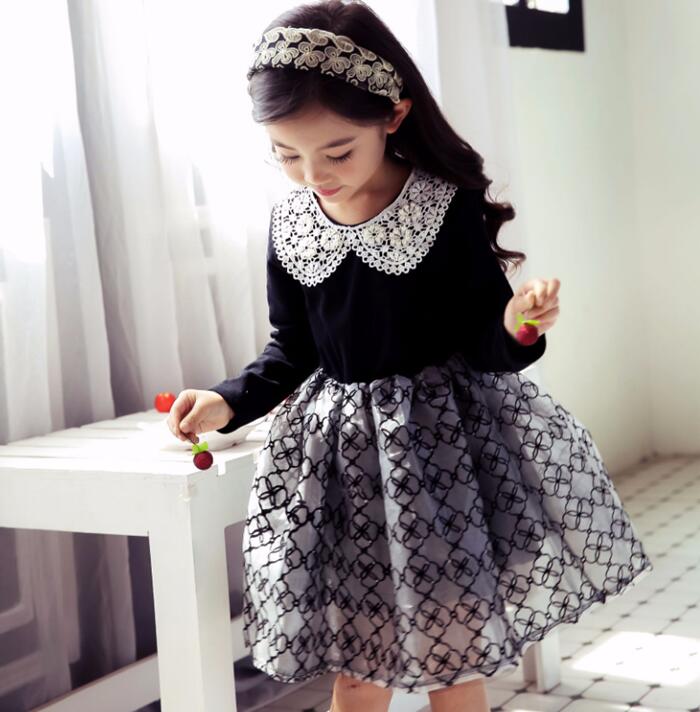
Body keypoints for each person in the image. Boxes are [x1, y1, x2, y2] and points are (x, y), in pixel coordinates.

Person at [167, 2, 654, 711]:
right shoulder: (291, 222)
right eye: (286, 155)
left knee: (453, 658)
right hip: (341, 475)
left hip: (443, 462)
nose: (312, 174)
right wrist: (227, 400)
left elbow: (484, 342)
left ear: (393, 117)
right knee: (357, 671)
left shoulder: (441, 207)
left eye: (337, 153)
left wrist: (516, 324)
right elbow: (291, 348)